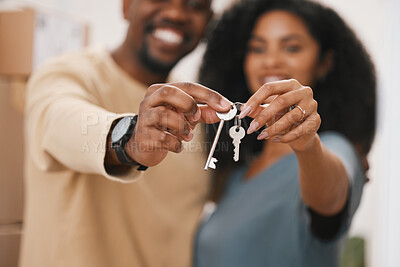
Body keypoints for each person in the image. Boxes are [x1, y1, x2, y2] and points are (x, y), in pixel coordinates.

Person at [19, 0, 232, 266]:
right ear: (127, 6)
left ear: (208, 22)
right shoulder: (67, 74)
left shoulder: (199, 115)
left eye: (195, 5)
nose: (176, 13)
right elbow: (59, 119)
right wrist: (129, 138)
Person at [195, 0, 376, 266]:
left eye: (292, 47)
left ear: (325, 63)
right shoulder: (237, 174)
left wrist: (307, 145)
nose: (270, 61)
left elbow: (331, 197)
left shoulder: (333, 147)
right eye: (257, 48)